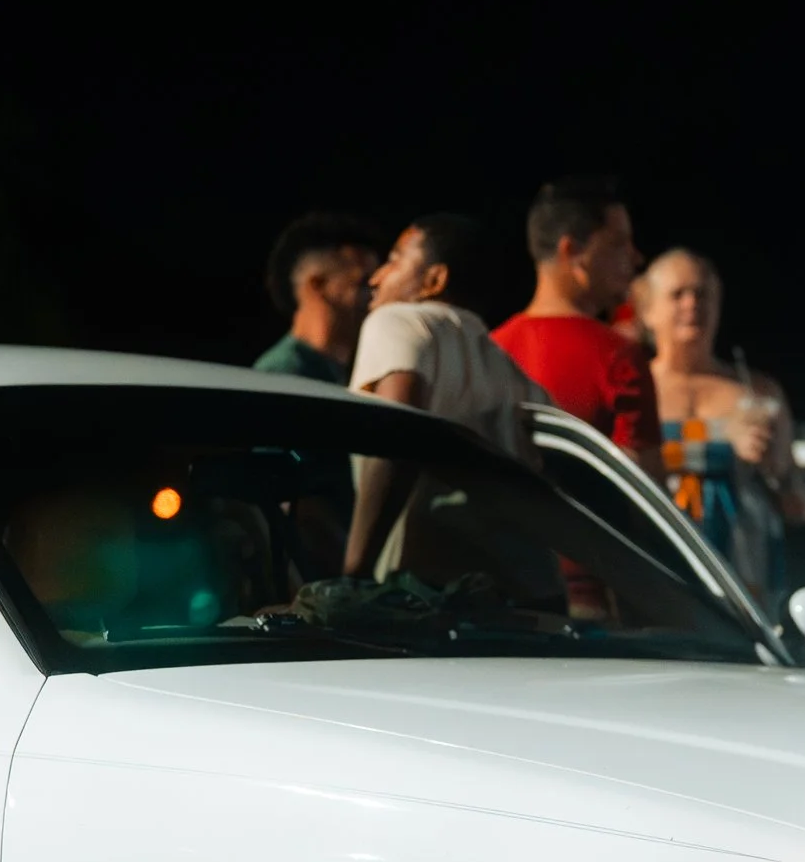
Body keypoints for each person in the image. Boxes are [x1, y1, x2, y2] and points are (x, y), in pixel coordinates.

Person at [344, 211, 543, 572]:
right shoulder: (513, 374)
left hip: (429, 599)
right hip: (528, 595)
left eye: (393, 261)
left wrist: (354, 572)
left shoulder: (397, 320)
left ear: (434, 280)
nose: (376, 278)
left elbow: (398, 434)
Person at [637, 246, 805, 603]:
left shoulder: (755, 391)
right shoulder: (634, 389)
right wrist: (720, 440)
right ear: (649, 311)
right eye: (678, 294)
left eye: (703, 294)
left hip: (744, 587)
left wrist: (776, 470)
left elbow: (801, 508)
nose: (693, 305)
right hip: (657, 578)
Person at [493, 179, 660, 463]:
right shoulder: (619, 357)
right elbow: (644, 489)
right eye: (618, 243)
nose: (636, 258)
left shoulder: (490, 348)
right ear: (572, 252)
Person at [254, 212, 382, 382]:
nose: (377, 296)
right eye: (365, 284)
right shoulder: (283, 373)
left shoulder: (339, 370)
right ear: (318, 285)